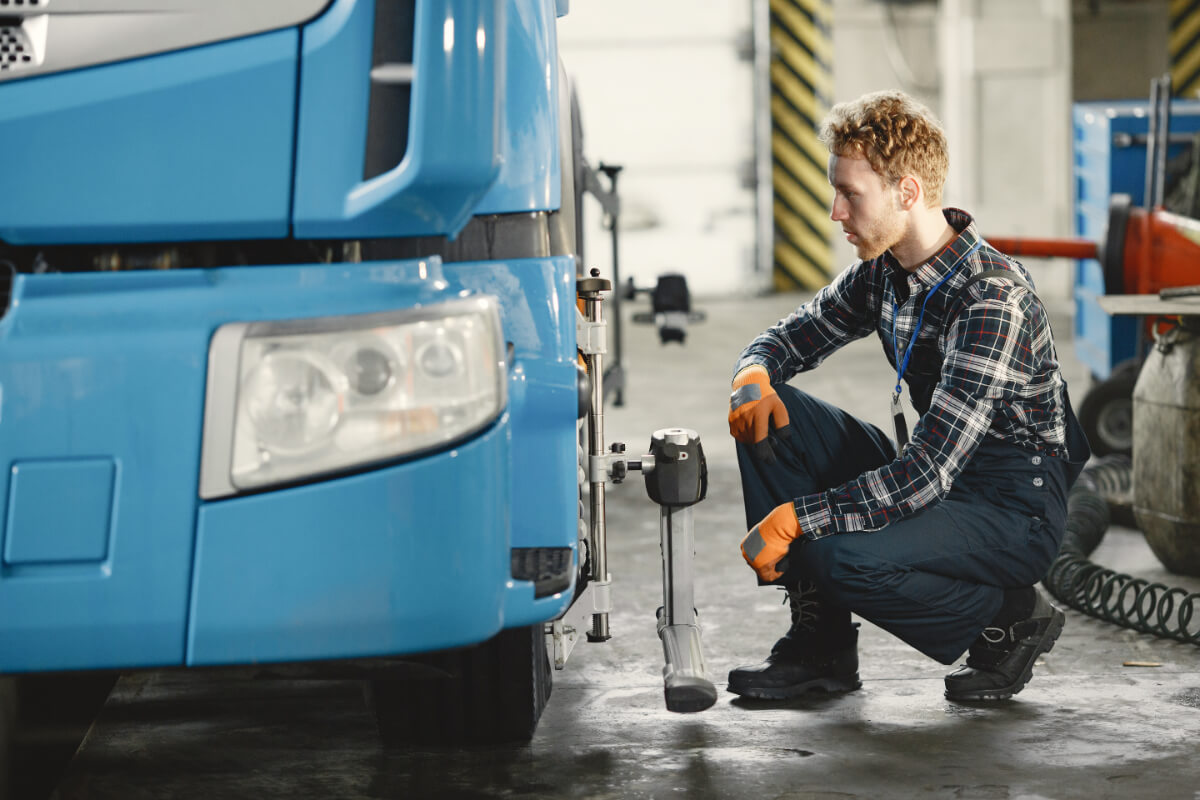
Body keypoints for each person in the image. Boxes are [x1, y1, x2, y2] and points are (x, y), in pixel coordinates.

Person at [727, 90, 1090, 702]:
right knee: (772, 416)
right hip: (944, 469)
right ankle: (822, 651)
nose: (835, 212)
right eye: (835, 191)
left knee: (834, 555)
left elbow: (924, 475)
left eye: (850, 194)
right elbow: (789, 336)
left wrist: (795, 519)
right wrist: (753, 374)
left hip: (1010, 505)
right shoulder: (886, 270)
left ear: (909, 192)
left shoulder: (991, 301)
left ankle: (1009, 614)